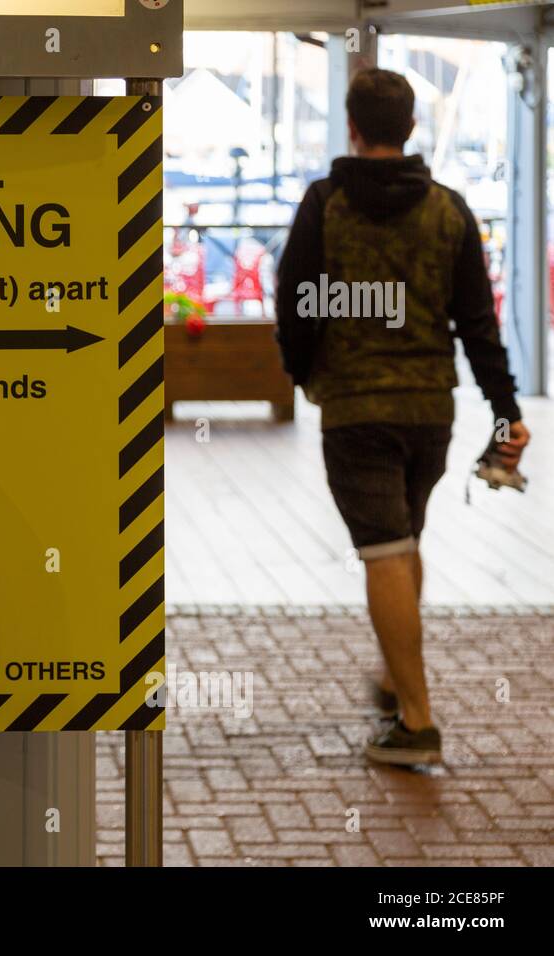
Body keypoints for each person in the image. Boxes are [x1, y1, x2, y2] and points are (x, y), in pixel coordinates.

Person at [275, 69, 530, 766]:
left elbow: (295, 301)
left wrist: (302, 373)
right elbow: (479, 324)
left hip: (356, 410)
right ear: (411, 128)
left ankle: (416, 723)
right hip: (429, 413)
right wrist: (506, 415)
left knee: (384, 550)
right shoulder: (449, 210)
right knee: (404, 539)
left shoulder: (325, 204)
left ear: (352, 127)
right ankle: (395, 676)